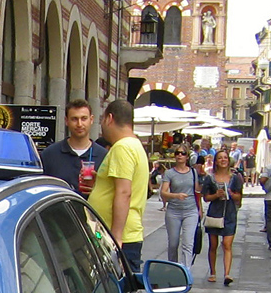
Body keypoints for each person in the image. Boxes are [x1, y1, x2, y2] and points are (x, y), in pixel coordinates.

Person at [87, 99, 149, 272]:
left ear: (109, 118)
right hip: (122, 234)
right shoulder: (134, 145)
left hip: (117, 237)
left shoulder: (123, 147)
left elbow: (124, 192)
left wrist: (115, 237)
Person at [39, 99, 108, 198]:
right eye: (74, 119)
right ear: (66, 121)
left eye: (84, 118)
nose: (79, 124)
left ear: (91, 120)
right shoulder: (49, 154)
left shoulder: (104, 156)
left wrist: (97, 189)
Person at [202, 148, 243, 285]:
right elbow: (206, 198)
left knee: (227, 244)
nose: (223, 160)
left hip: (230, 213)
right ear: (216, 161)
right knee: (213, 245)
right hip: (215, 213)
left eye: (225, 157)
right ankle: (212, 272)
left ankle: (227, 274)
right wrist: (216, 195)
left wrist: (231, 194)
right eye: (220, 158)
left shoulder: (235, 178)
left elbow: (239, 199)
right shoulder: (210, 178)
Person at [160, 145, 202, 268]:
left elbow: (197, 192)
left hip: (191, 210)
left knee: (188, 243)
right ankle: (173, 268)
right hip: (174, 211)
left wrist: (200, 209)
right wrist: (176, 195)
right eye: (177, 153)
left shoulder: (193, 172)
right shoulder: (169, 173)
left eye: (183, 153)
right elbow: (163, 192)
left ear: (187, 156)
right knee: (173, 243)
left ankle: (186, 270)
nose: (179, 155)